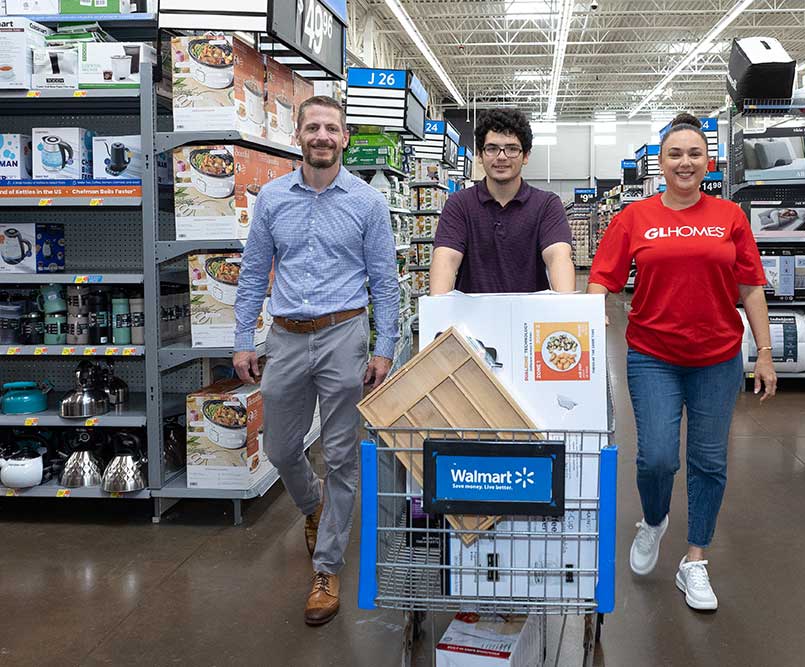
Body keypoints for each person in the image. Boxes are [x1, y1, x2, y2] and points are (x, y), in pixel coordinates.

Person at [587, 112, 777, 612]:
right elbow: (601, 277)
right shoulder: (635, 218)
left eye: (694, 153)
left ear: (707, 162)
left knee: (709, 461)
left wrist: (765, 353)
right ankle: (653, 520)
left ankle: (695, 560)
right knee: (656, 457)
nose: (685, 162)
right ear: (662, 163)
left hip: (718, 357)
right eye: (675, 154)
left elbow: (751, 287)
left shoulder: (731, 217)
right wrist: (588, 317)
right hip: (653, 354)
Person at [233, 96, 400, 626]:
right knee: (280, 447)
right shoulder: (272, 199)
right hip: (284, 336)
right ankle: (313, 506)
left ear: (345, 137)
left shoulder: (368, 203)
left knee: (343, 454)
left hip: (344, 334)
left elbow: (386, 282)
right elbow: (254, 271)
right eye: (313, 127)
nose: (322, 136)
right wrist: (242, 338)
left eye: (331, 127)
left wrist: (385, 346)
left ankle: (327, 567)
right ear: (298, 136)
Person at [429, 108, 576, 294]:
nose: (501, 157)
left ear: (526, 156)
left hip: (532, 320)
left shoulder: (547, 205)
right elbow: (445, 260)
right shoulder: (459, 204)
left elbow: (558, 258)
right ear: (480, 156)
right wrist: (438, 311)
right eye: (492, 148)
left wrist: (569, 310)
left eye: (512, 149)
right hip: (471, 321)